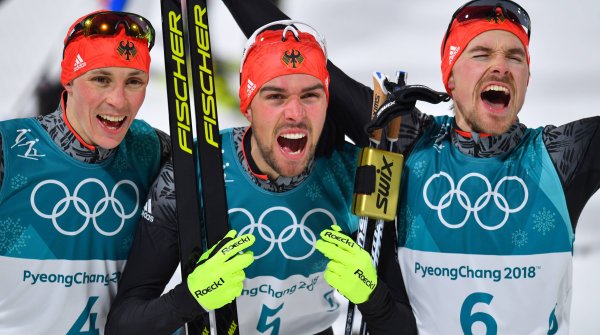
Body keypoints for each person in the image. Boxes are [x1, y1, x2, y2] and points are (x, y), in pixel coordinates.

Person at [220, 0, 600, 333]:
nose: (500, 66)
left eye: (514, 57)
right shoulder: (405, 139)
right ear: (449, 75)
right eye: (481, 54)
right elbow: (303, 59)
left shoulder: (561, 157)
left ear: (527, 78)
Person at [106, 20, 416, 335]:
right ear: (247, 105)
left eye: (310, 96)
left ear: (326, 103)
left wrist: (374, 298)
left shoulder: (355, 175)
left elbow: (405, 327)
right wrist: (189, 298)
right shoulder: (192, 173)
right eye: (275, 97)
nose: (295, 112)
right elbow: (122, 325)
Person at [0, 10, 171, 334]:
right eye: (101, 79)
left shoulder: (150, 151)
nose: (118, 101)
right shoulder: (9, 150)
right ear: (69, 80)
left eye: (134, 81)